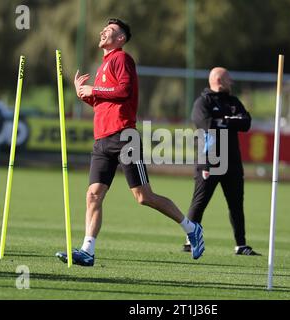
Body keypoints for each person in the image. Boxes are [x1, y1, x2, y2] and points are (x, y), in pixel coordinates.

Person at [56, 18, 204, 266]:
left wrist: (95, 90)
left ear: (121, 38)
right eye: (104, 28)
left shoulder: (122, 59)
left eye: (111, 30)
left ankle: (191, 228)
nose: (104, 31)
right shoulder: (103, 65)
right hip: (102, 138)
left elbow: (123, 92)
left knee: (143, 197)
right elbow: (103, 102)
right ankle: (87, 251)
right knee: (93, 195)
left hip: (124, 136)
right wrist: (85, 95)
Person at [182, 67, 261, 256]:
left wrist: (224, 120)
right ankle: (189, 240)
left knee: (236, 205)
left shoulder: (234, 101)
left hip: (233, 161)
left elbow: (246, 122)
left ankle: (241, 245)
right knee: (200, 202)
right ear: (218, 80)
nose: (231, 83)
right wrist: (229, 121)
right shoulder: (202, 102)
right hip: (209, 160)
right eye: (228, 79)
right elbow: (206, 124)